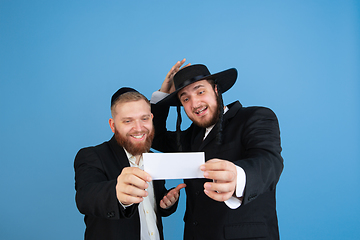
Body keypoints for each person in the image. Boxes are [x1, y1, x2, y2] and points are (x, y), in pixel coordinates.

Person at [150, 59, 284, 240]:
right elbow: (155, 137)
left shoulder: (254, 117)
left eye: (200, 91)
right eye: (186, 98)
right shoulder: (190, 136)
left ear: (216, 90)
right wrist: (162, 95)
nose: (195, 103)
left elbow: (269, 162)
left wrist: (238, 177)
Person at [74, 87, 186, 240]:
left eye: (144, 119)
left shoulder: (153, 158)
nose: (139, 128)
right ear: (113, 125)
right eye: (128, 121)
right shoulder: (93, 155)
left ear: (152, 118)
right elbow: (86, 197)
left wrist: (166, 203)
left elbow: (151, 208)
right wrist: (117, 194)